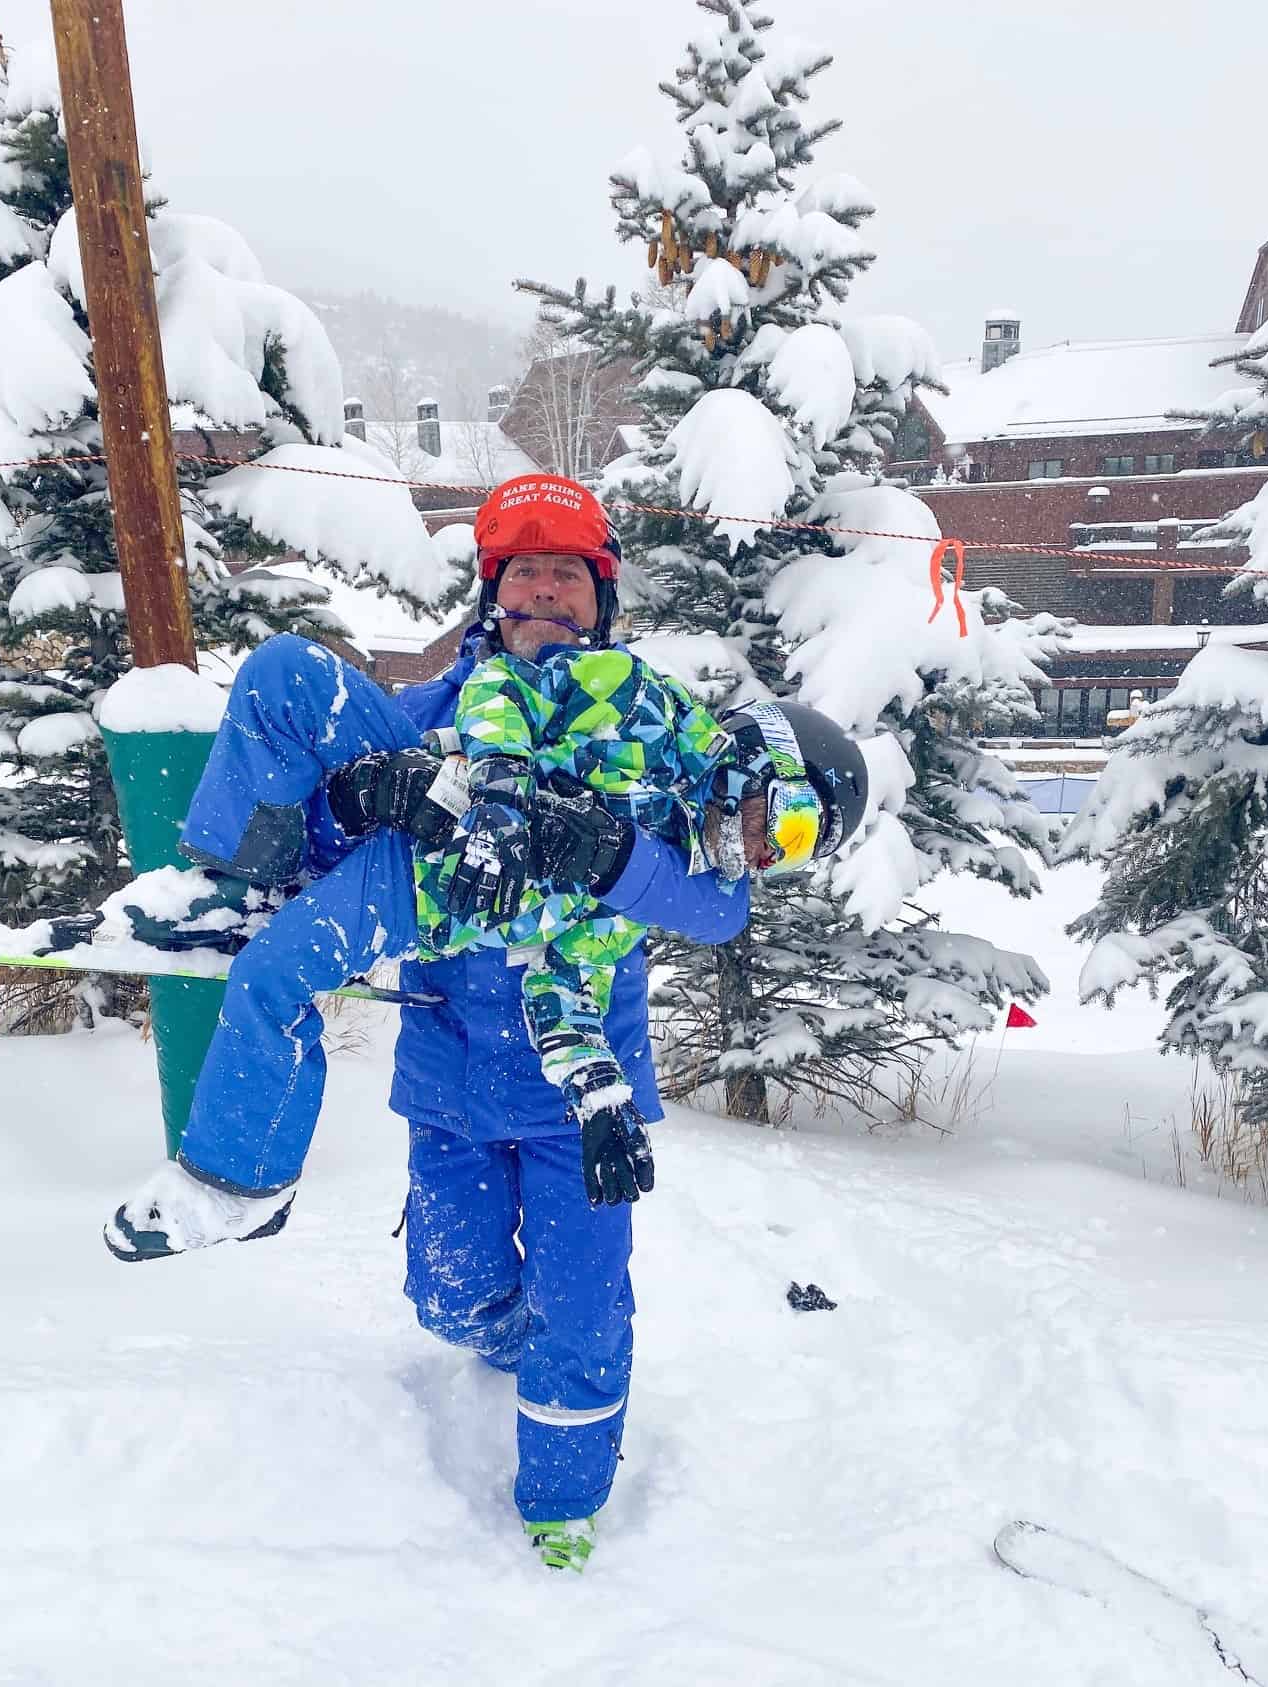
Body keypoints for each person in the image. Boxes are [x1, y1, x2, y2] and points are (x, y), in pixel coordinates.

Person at [106, 475, 869, 1570]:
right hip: (450, 1076)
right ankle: (227, 894)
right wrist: (368, 796)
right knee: (451, 1300)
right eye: (525, 572)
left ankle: (562, 1500)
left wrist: (608, 854)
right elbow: (341, 834)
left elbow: (717, 897)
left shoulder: (647, 725)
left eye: (570, 573)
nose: (546, 590)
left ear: (601, 600)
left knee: (584, 1310)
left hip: (576, 1093)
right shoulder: (443, 710)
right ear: (493, 596)